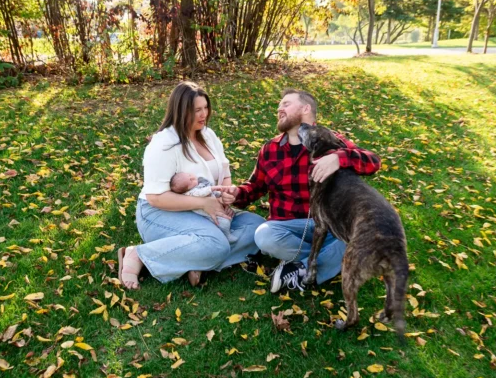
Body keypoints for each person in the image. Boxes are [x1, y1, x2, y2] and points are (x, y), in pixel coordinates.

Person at [215, 89, 381, 293]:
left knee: (361, 234)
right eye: (279, 105)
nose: (279, 108)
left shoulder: (329, 141)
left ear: (305, 108)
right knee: (264, 236)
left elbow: (373, 161)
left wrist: (339, 158)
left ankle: (298, 268)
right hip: (287, 229)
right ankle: (319, 265)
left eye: (286, 104)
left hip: (329, 226)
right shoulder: (270, 149)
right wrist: (236, 194)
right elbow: (254, 187)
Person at [117, 82, 265, 290]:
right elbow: (156, 198)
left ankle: (195, 260)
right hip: (160, 212)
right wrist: (204, 204)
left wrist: (225, 194)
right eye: (197, 110)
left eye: (205, 108)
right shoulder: (164, 144)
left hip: (206, 210)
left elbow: (225, 173)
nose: (203, 114)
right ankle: (138, 254)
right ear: (181, 110)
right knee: (216, 244)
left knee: (258, 229)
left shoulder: (208, 135)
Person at [170, 172, 238, 242]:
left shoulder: (198, 184)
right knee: (224, 222)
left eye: (189, 175)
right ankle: (227, 235)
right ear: (187, 188)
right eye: (190, 180)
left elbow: (213, 193)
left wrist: (221, 195)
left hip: (215, 207)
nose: (192, 177)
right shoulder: (191, 193)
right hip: (209, 215)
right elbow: (202, 192)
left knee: (229, 218)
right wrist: (212, 188)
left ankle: (227, 230)